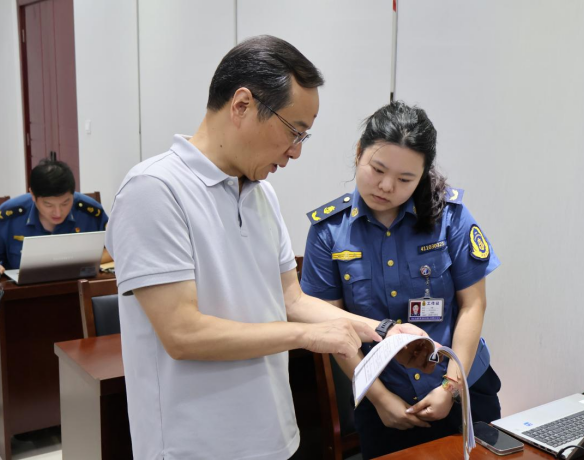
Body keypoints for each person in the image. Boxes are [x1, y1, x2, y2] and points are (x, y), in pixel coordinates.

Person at [105, 36, 431, 460]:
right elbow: (183, 333)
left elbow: (291, 300)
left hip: (272, 435)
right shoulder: (153, 190)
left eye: (304, 136)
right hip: (195, 446)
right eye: (293, 131)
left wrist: (381, 332)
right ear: (242, 105)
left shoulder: (262, 194)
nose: (295, 151)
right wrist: (308, 336)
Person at [301, 101, 503, 459]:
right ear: (359, 153)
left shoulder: (451, 217)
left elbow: (473, 305)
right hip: (384, 402)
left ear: (422, 175)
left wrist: (451, 387)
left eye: (405, 179)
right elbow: (332, 327)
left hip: (463, 390)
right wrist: (380, 399)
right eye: (377, 169)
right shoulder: (328, 232)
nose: (386, 186)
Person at [0, 159, 109, 275]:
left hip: (79, 284)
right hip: (22, 288)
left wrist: (80, 263)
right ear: (33, 195)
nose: (58, 213)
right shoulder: (9, 216)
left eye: (65, 203)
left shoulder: (90, 212)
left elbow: (114, 248)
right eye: (48, 205)